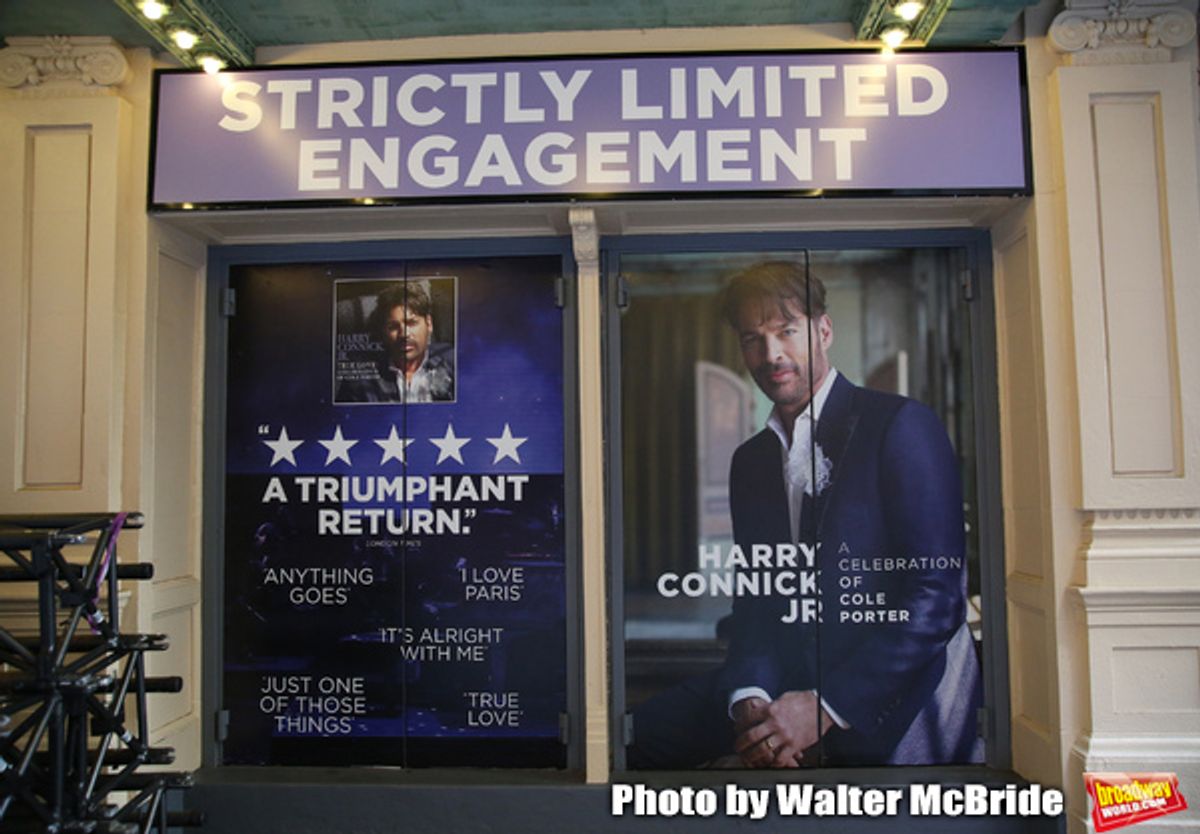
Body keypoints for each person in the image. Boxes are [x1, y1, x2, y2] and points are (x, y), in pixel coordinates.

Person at [629, 260, 982, 768]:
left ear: (824, 330)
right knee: (633, 737)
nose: (770, 354)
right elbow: (757, 601)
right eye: (752, 338)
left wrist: (824, 707)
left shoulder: (901, 426)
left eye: (786, 331)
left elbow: (936, 599)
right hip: (780, 682)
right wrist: (748, 697)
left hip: (884, 694)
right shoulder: (749, 462)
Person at [337, 280, 455, 403]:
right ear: (383, 332)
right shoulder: (360, 381)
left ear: (429, 324)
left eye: (411, 323)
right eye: (393, 327)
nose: (404, 334)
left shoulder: (455, 362)